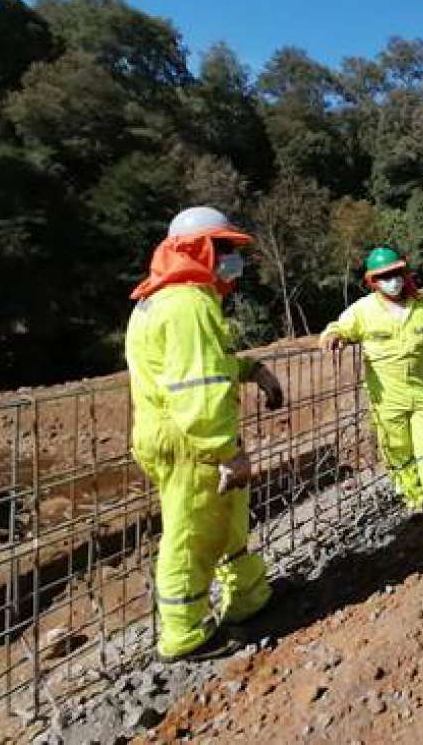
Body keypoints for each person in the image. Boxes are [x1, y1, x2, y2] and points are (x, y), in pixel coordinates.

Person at [125, 206, 285, 662]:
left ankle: (249, 596)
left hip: (180, 435)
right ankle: (185, 631)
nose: (234, 259)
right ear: (198, 249)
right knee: (191, 531)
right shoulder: (188, 304)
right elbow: (196, 388)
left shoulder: (166, 299)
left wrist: (252, 369)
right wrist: (226, 451)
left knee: (226, 518)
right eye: (225, 249)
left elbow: (201, 365)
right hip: (189, 439)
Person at [320, 246, 423, 520]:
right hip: (386, 399)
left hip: (420, 391)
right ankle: (414, 499)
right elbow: (339, 328)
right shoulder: (363, 311)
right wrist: (333, 335)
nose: (393, 280)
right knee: (399, 453)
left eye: (396, 273)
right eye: (385, 276)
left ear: (405, 272)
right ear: (373, 281)